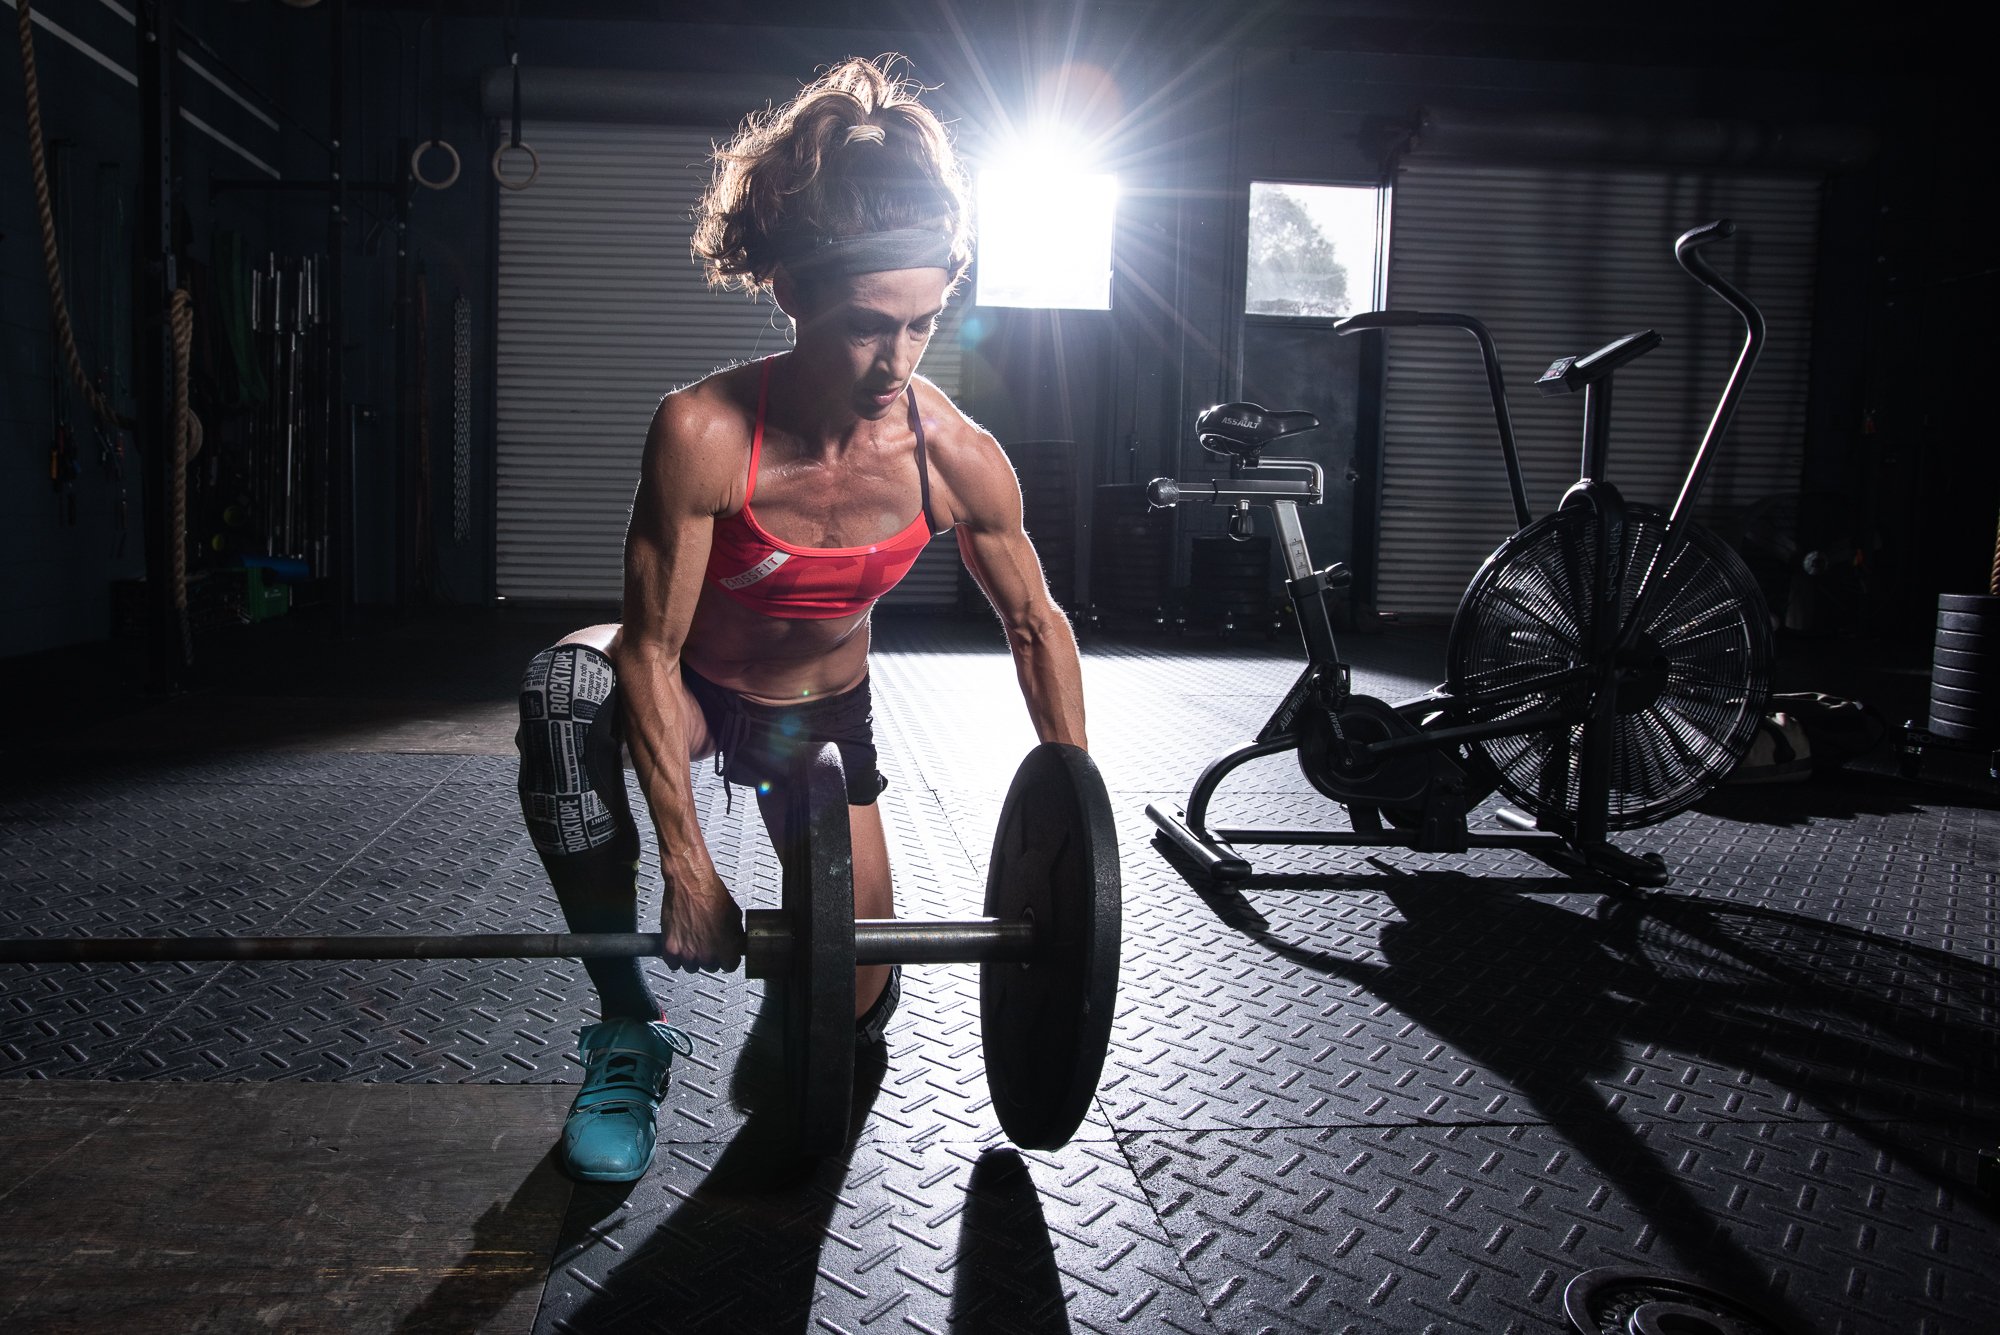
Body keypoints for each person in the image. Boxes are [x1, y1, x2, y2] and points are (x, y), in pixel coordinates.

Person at [514, 55, 1087, 1182]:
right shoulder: (704, 431)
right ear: (792, 294)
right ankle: (629, 1027)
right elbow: (652, 649)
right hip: (689, 690)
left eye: (924, 323)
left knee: (853, 1001)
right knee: (565, 689)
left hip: (814, 714)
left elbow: (1035, 625)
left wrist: (1077, 831)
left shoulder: (954, 457)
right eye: (871, 325)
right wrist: (685, 863)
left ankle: (817, 1009)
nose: (897, 360)